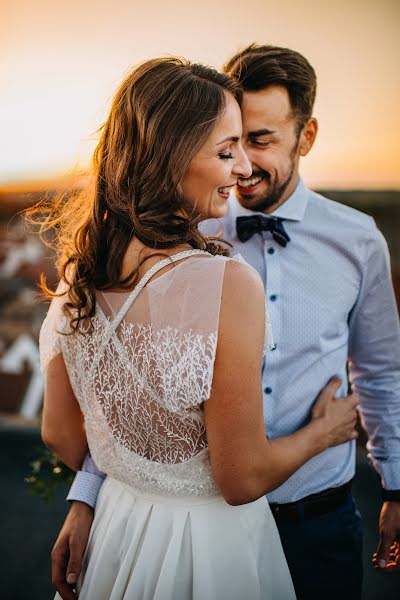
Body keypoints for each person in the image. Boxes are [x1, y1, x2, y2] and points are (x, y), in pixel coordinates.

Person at [54, 45, 400, 600]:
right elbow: (136, 392)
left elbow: (381, 373)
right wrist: (87, 495)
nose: (243, 163)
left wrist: (397, 488)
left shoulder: (360, 241)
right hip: (208, 526)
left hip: (322, 518)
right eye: (232, 142)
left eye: (259, 140)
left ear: (305, 136)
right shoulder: (184, 233)